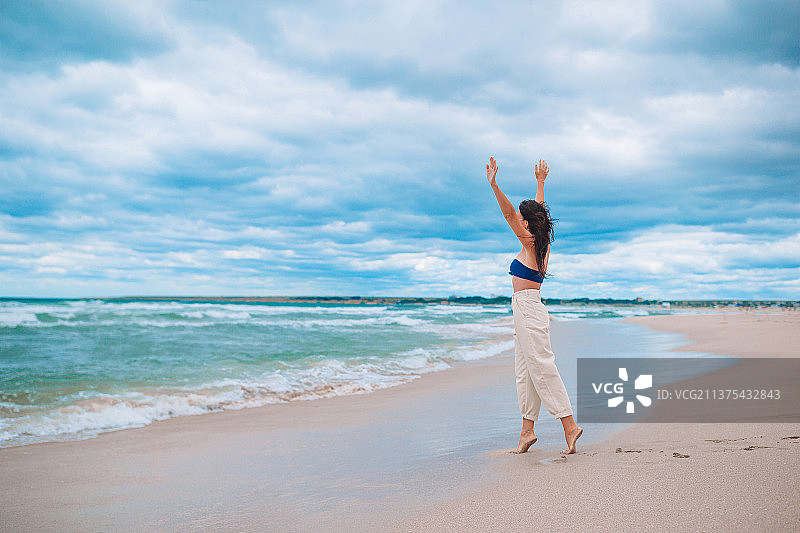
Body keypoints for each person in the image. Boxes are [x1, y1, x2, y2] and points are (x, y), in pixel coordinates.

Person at [486, 156, 583, 455]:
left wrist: (494, 185)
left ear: (526, 223)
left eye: (521, 217)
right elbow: (535, 213)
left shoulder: (530, 242)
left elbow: (507, 215)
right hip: (526, 310)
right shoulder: (538, 241)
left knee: (540, 367)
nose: (517, 218)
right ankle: (527, 431)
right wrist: (540, 184)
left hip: (528, 309)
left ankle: (569, 425)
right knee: (525, 370)